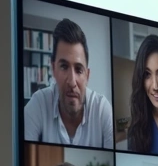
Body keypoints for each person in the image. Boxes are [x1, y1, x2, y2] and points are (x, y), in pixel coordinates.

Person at [24, 18, 114, 147]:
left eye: (79, 69)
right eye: (64, 67)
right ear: (53, 69)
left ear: (87, 75)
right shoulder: (38, 104)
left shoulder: (101, 110)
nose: (72, 82)